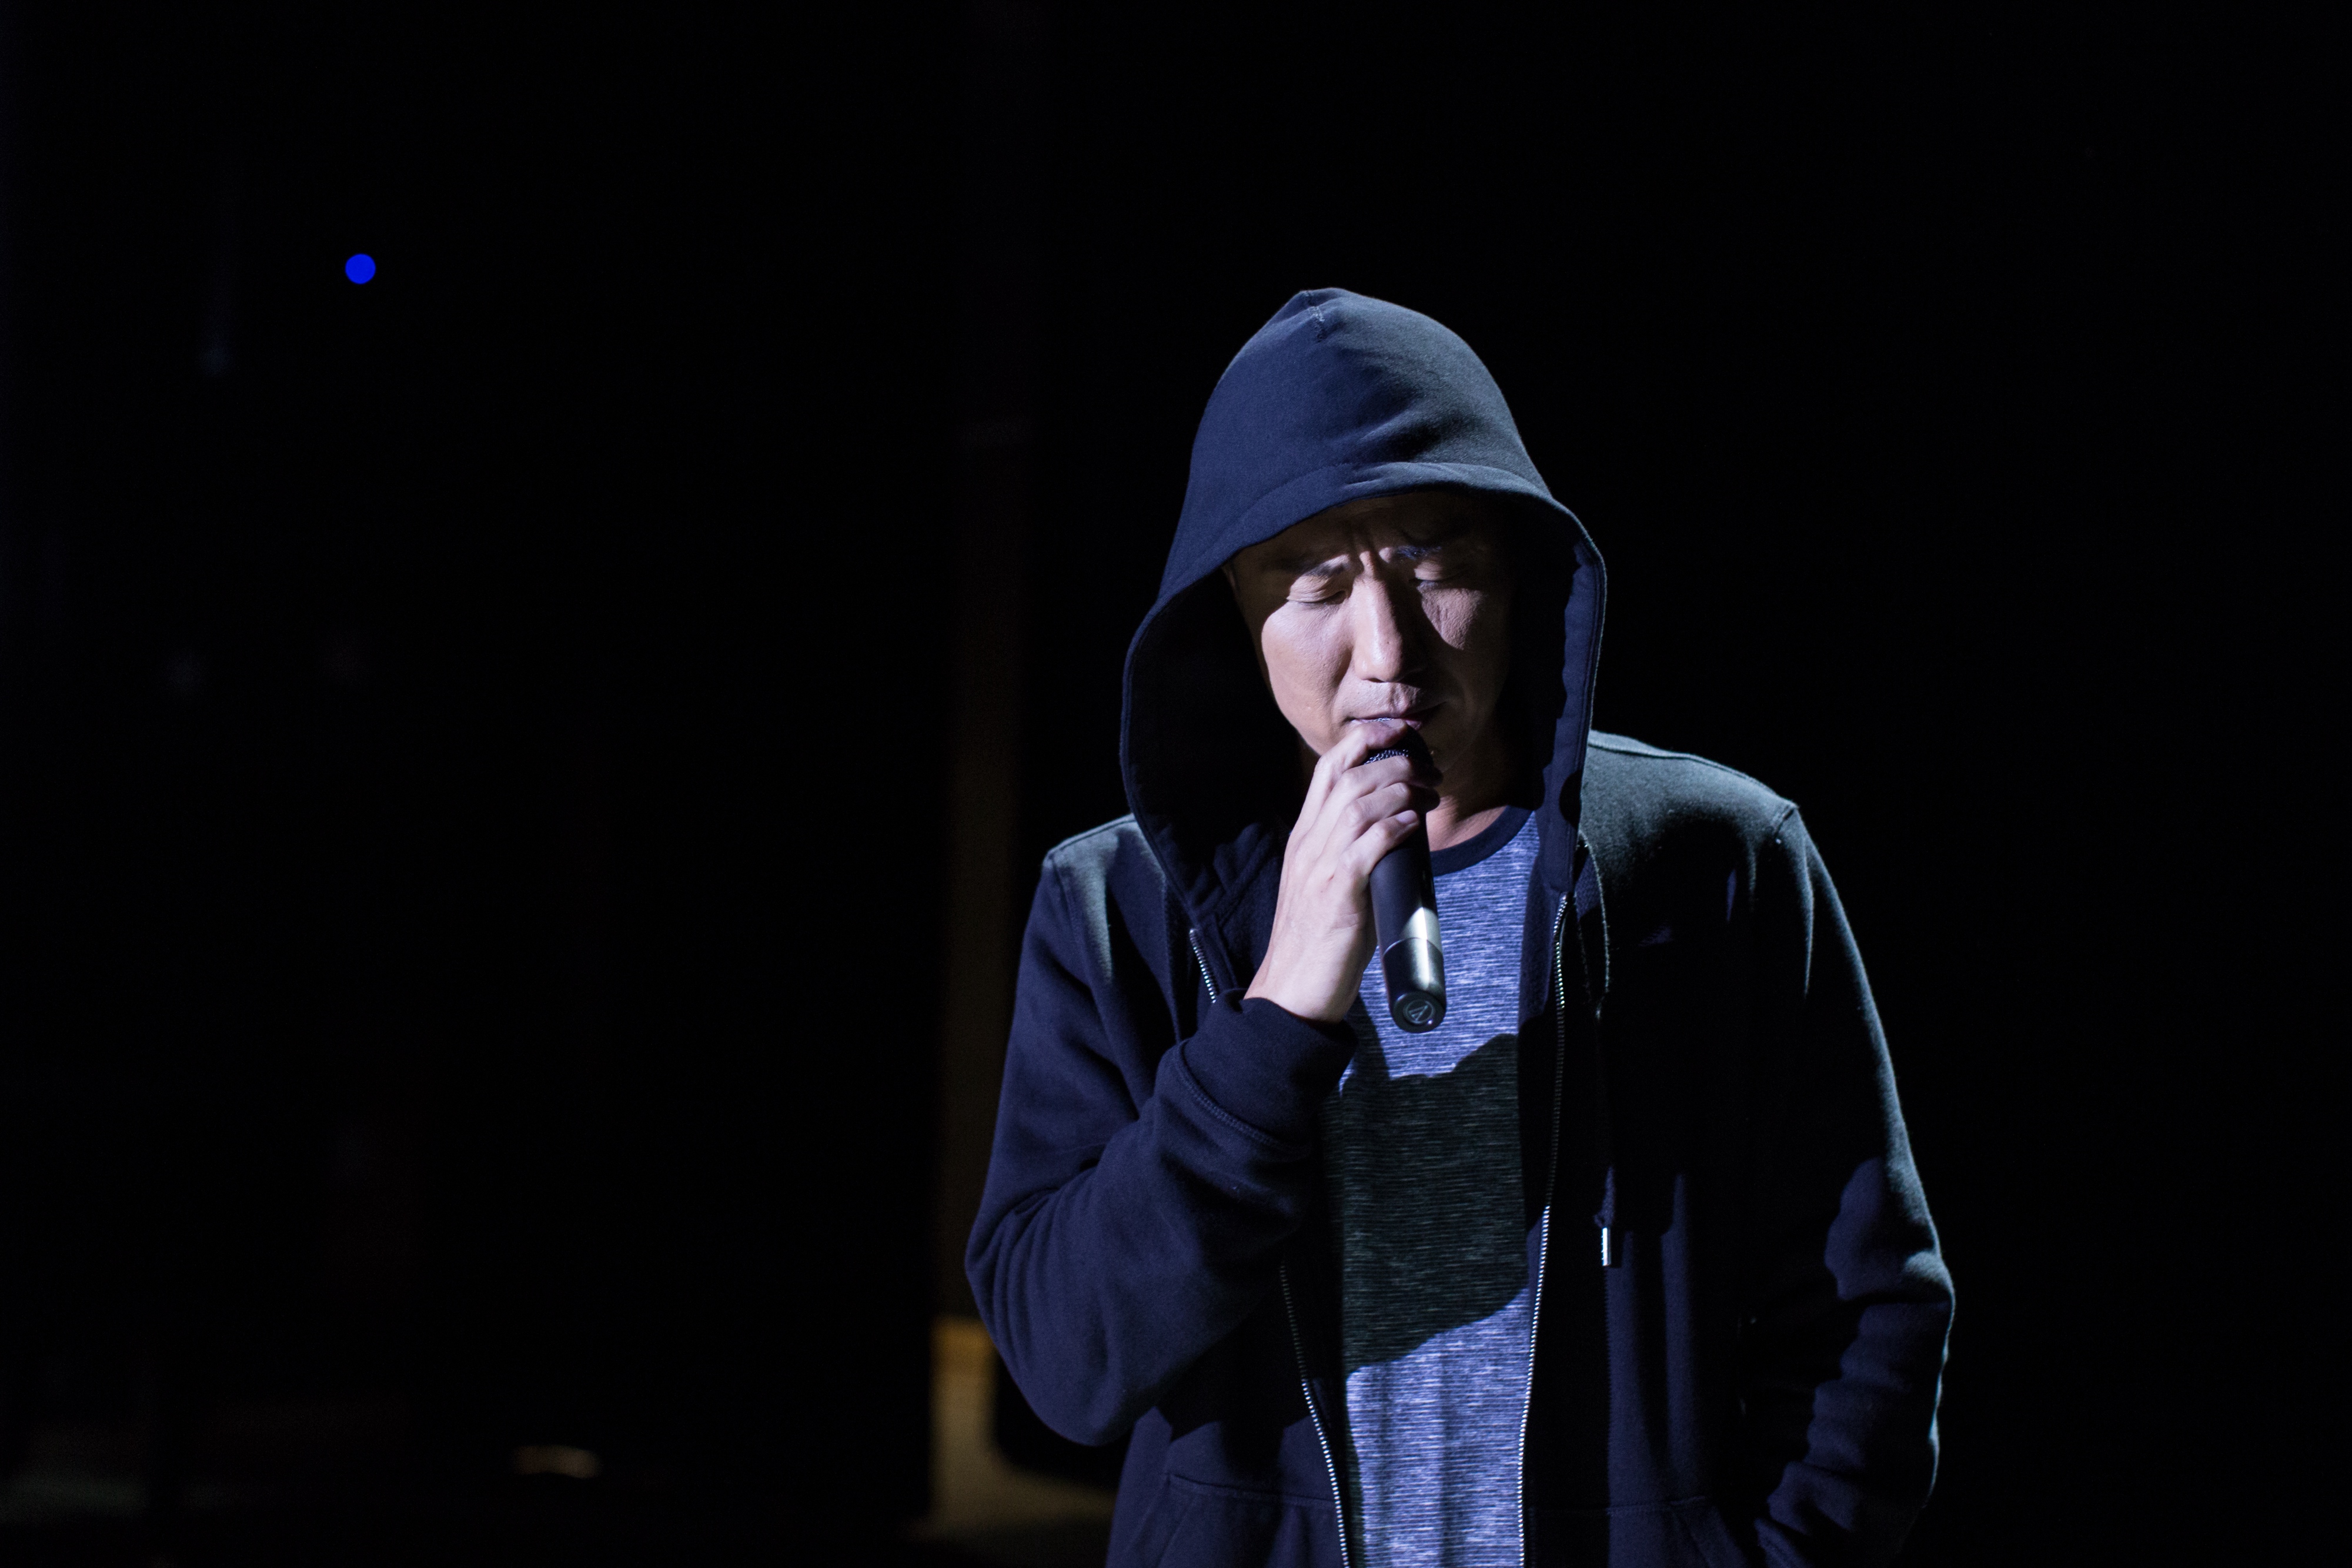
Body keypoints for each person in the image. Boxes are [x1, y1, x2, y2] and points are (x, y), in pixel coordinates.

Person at [966, 289, 1952, 1568]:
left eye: (1431, 565)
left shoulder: (1719, 860)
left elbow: (1866, 1310)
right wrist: (1274, 1017)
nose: (1385, 651)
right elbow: (1066, 1362)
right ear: (1235, 612)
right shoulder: (1115, 902)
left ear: (1514, 566)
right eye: (1315, 583)